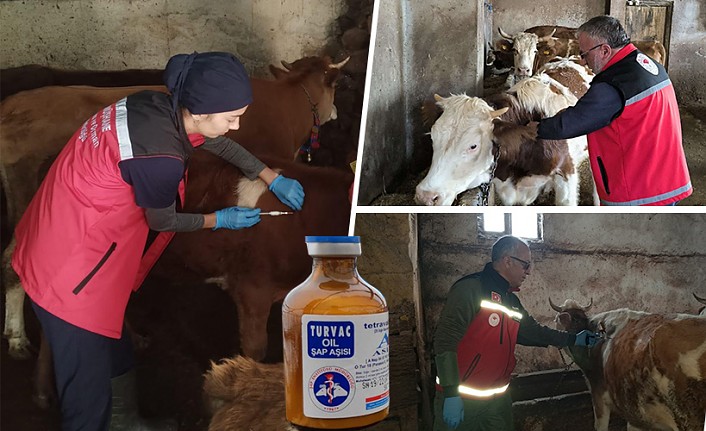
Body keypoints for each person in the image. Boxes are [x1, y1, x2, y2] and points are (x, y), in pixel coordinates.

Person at [11, 51, 305, 431]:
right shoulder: (159, 156)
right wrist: (220, 219)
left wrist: (268, 174)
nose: (236, 126)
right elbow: (162, 219)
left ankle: (126, 421)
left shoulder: (152, 105)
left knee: (115, 344)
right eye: (231, 117)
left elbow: (213, 141)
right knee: (87, 393)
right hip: (70, 270)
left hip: (67, 234)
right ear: (199, 112)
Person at [433, 236, 600, 431]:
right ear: (507, 261)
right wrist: (451, 393)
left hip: (498, 401)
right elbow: (444, 341)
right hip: (463, 400)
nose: (528, 272)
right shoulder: (470, 290)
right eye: (525, 265)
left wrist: (573, 339)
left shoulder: (511, 301)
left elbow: (534, 332)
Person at [535, 15, 691, 206]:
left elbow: (568, 125)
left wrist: (534, 128)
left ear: (605, 50)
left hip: (639, 190)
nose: (583, 62)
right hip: (667, 177)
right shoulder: (647, 64)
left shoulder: (613, 83)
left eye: (584, 55)